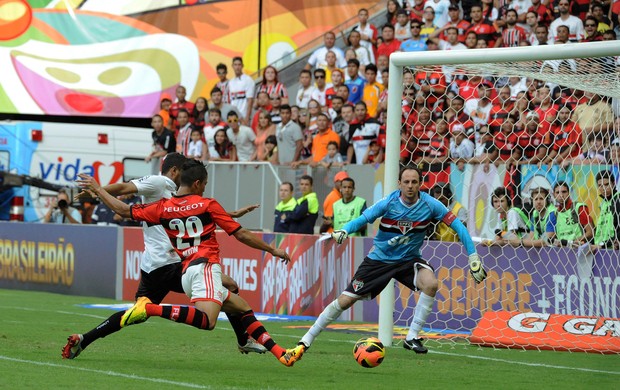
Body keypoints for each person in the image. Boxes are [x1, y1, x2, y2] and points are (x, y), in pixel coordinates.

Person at [75, 160, 305, 367]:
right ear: (196, 183)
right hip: (203, 267)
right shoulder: (206, 204)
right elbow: (241, 234)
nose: (205, 188)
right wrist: (272, 249)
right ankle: (151, 308)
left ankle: (280, 353)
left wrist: (98, 190)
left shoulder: (163, 208)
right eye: (204, 184)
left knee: (242, 306)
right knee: (208, 321)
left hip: (186, 272)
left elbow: (123, 209)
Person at [298, 166, 486, 354]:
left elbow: (459, 228)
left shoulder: (431, 204)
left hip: (408, 260)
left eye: (414, 182)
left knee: (430, 283)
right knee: (345, 301)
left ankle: (412, 336)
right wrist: (345, 230)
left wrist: (473, 256)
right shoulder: (388, 202)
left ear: (420, 183)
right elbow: (363, 218)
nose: (410, 186)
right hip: (379, 260)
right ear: (399, 184)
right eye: (406, 182)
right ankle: (307, 338)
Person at [546, 181, 594, 247]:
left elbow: (590, 232)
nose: (561, 195)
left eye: (564, 192)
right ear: (554, 195)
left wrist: (573, 242)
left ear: (569, 193)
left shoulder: (579, 208)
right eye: (557, 192)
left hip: (578, 249)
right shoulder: (554, 214)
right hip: (562, 252)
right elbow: (550, 238)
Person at [591, 170, 620, 250]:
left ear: (613, 183)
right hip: (602, 250)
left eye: (606, 184)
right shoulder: (604, 204)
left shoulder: (618, 201)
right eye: (600, 185)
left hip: (613, 250)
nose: (603, 188)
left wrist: (602, 245)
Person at [228, 57, 255, 125]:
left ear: (242, 66)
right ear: (232, 66)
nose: (237, 67)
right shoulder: (231, 82)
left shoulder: (248, 80)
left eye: (239, 65)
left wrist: (247, 118)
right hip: (233, 118)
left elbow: (250, 101)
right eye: (235, 65)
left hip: (244, 117)